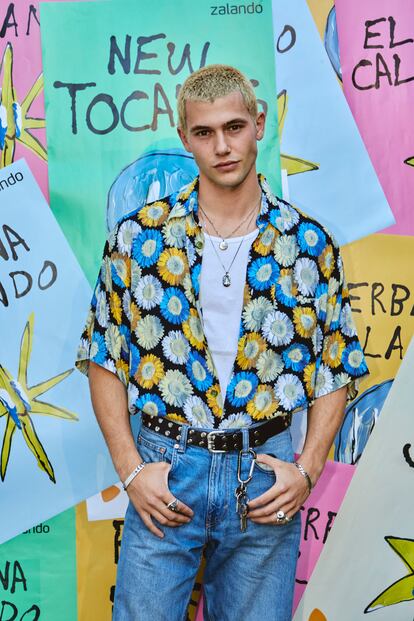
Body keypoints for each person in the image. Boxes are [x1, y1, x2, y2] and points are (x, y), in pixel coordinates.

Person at [76, 64, 368, 621]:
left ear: (259, 124)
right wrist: (131, 469)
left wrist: (306, 469)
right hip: (167, 466)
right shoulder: (140, 238)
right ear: (185, 137)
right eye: (205, 133)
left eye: (234, 127)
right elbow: (104, 356)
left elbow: (336, 367)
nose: (223, 146)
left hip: (265, 473)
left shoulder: (308, 244)